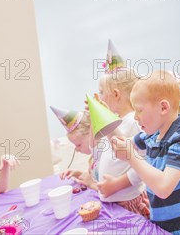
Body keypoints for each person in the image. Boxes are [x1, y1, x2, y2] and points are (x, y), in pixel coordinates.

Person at [111, 70, 180, 235]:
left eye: (139, 110)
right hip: (163, 227)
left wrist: (131, 156)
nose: (135, 117)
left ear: (163, 107)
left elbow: (164, 188)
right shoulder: (151, 135)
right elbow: (123, 142)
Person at [55, 41, 149, 218]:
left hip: (127, 202)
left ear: (115, 94)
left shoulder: (133, 123)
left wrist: (117, 184)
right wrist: (95, 118)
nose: (99, 95)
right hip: (112, 201)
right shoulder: (114, 122)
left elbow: (143, 166)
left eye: (101, 91)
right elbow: (95, 151)